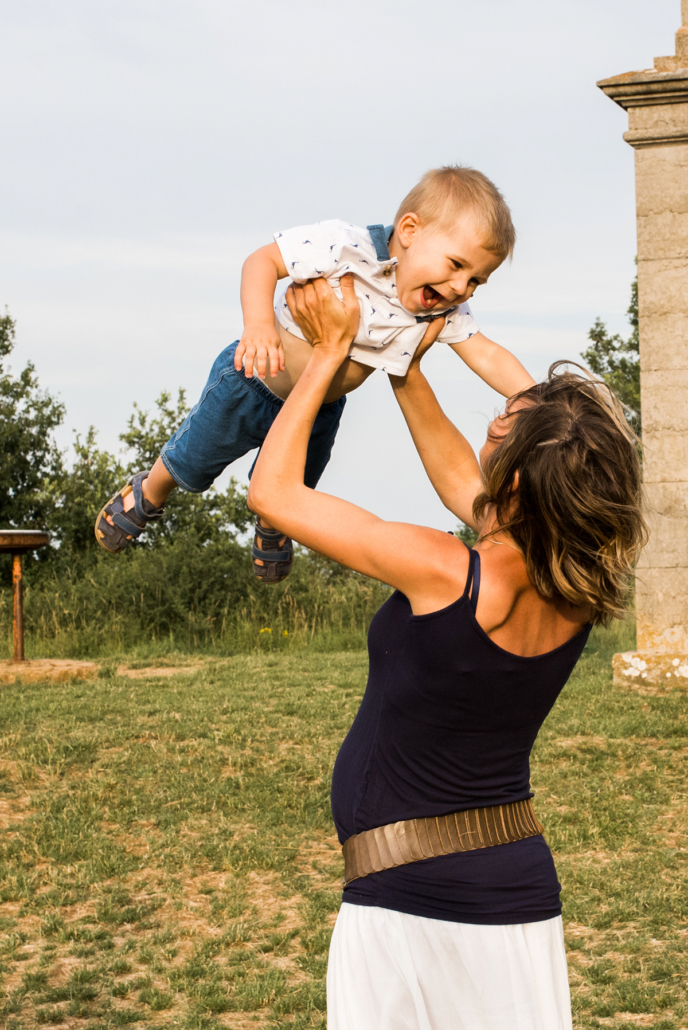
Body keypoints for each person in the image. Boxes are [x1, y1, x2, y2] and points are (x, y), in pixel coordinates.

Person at [246, 275, 646, 1030]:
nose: (492, 424)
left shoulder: (448, 572)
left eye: (501, 426)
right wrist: (406, 366)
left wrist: (332, 350)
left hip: (409, 901)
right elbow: (462, 479)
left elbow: (273, 494)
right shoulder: (575, 577)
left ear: (523, 481)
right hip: (517, 896)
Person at [94, 166, 534, 582]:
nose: (460, 288)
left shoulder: (442, 306)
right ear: (410, 231)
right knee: (193, 458)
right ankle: (151, 491)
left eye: (477, 281)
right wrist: (259, 325)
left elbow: (487, 354)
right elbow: (261, 262)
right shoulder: (345, 248)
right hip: (253, 381)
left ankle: (273, 523)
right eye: (456, 265)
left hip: (320, 407)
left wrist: (544, 396)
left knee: (297, 483)